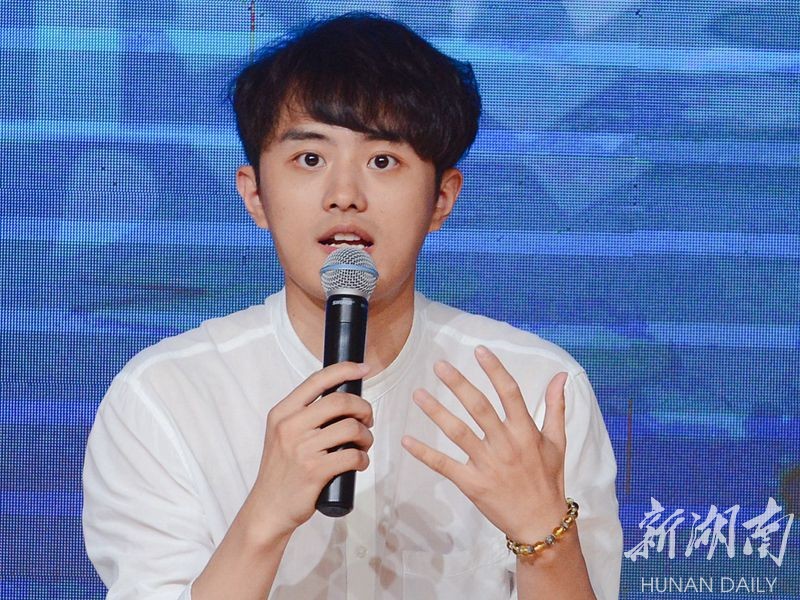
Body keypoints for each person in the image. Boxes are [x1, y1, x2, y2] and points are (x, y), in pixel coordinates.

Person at [83, 12, 622, 600]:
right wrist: (264, 518)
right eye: (310, 159)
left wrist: (544, 537)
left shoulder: (537, 390)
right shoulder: (164, 398)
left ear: (441, 199)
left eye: (382, 161)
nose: (344, 195)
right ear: (255, 195)